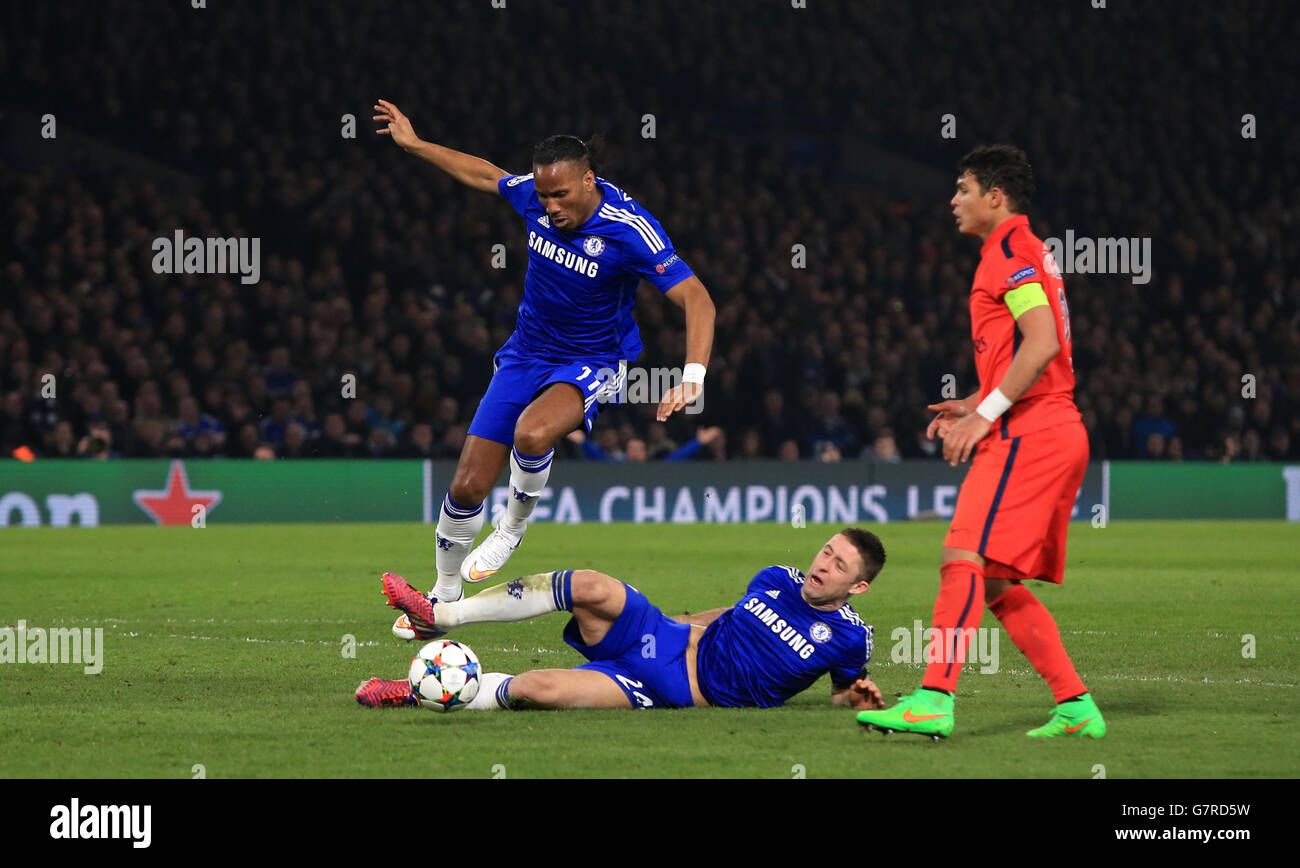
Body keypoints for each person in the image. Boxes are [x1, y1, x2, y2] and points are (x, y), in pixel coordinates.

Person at [374, 100, 716, 608]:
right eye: (543, 195)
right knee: (467, 487)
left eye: (559, 194)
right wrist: (417, 145)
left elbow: (697, 297)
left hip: (594, 359)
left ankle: (513, 524)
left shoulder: (629, 228)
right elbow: (486, 175)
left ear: (588, 181)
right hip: (526, 352)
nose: (550, 206)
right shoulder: (533, 199)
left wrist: (692, 377)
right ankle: (442, 597)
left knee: (532, 432)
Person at [856, 145, 1105, 739]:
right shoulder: (1021, 250)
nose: (953, 200)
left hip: (1031, 432)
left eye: (963, 189)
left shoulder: (1011, 252)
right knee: (992, 582)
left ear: (996, 197)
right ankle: (1075, 707)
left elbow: (1041, 342)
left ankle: (933, 700)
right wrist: (974, 401)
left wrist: (983, 416)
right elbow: (1034, 352)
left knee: (960, 559)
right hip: (1046, 427)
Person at [356, 529, 886, 712]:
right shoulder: (776, 577)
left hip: (673, 688)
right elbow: (734, 613)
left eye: (839, 565)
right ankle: (439, 614)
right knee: (588, 585)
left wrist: (854, 699)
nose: (823, 564)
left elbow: (841, 693)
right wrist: (676, 621)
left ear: (858, 586)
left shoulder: (849, 639)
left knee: (538, 689)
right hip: (666, 638)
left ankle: (417, 690)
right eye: (825, 551)